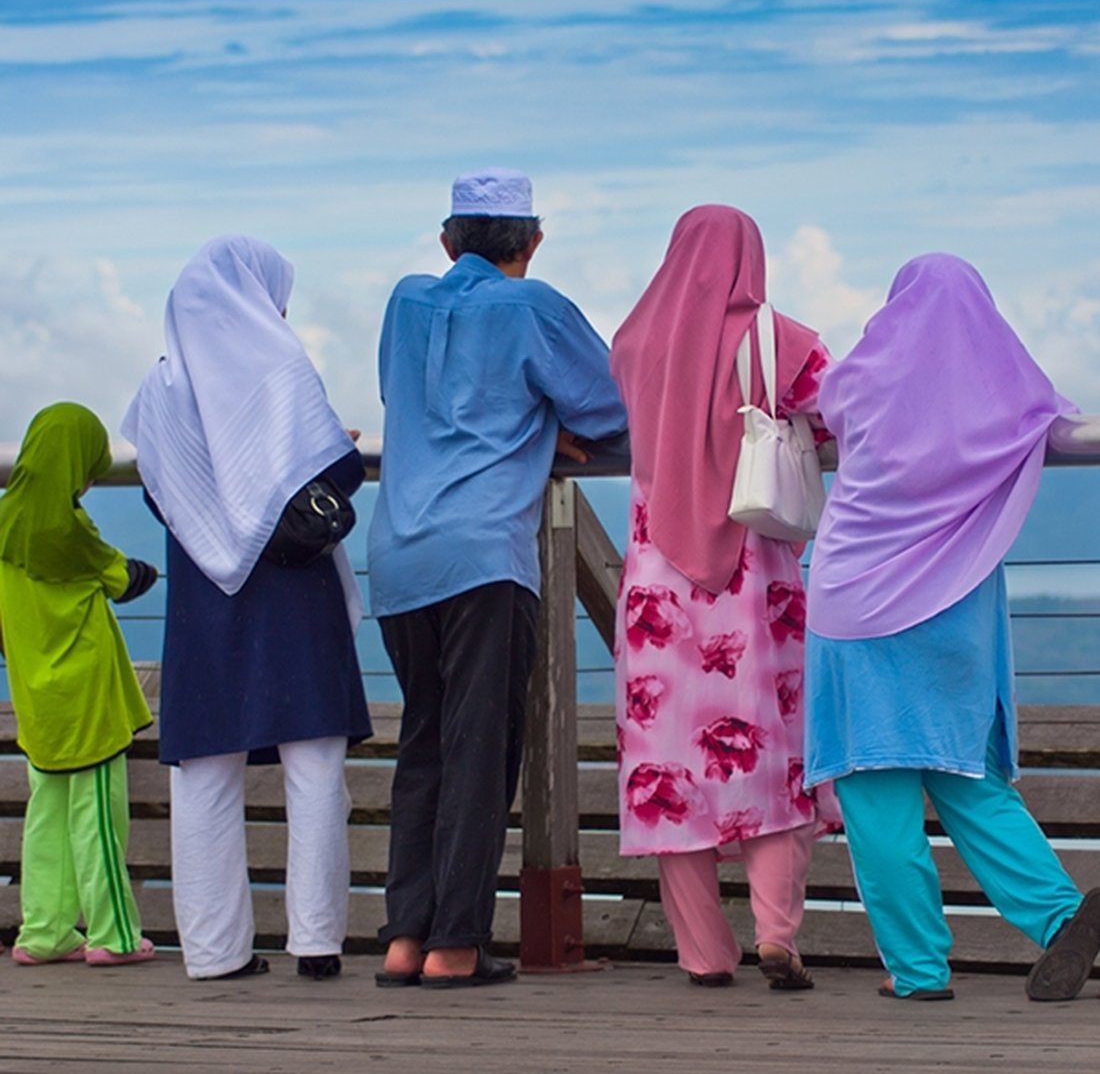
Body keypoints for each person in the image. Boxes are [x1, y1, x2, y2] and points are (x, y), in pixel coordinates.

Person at [804, 252, 1100, 1002]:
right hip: (954, 612)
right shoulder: (1009, 393)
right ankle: (1064, 919)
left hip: (855, 608)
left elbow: (823, 413)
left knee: (876, 796)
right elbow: (1069, 431)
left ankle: (918, 970)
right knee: (970, 780)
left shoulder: (855, 381)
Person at [369, 167, 627, 988]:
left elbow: (412, 401)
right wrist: (544, 428)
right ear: (534, 242)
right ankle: (455, 945)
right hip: (484, 555)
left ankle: (404, 937)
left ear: (448, 242)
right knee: (481, 750)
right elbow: (611, 408)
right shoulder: (533, 308)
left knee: (425, 743)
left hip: (398, 550)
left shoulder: (406, 301)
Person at [122, 235, 371, 982]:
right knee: (314, 764)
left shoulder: (158, 391)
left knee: (204, 771)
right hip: (294, 592)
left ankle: (213, 951)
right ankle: (317, 942)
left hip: (206, 599)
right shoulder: (282, 368)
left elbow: (162, 496)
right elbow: (337, 474)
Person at [609, 204, 841, 991]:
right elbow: (840, 410)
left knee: (669, 769)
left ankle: (704, 954)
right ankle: (776, 934)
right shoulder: (781, 340)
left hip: (657, 585)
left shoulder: (634, 342)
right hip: (751, 580)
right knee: (773, 756)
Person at [0, 402, 158, 967]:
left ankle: (43, 932)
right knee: (99, 822)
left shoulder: (5, 523)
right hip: (88, 699)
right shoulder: (71, 531)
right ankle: (114, 936)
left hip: (36, 698)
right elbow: (125, 579)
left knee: (46, 818)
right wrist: (144, 569)